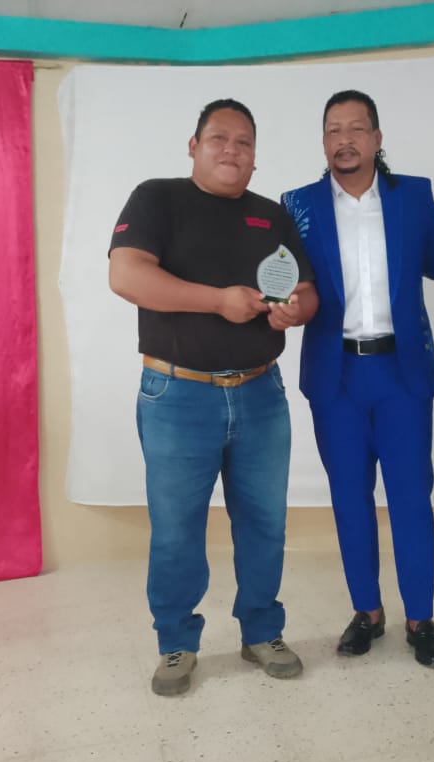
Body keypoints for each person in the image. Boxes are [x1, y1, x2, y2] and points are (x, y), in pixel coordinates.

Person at [108, 98, 318, 696]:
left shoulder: (271, 216)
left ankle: (262, 631)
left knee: (266, 523)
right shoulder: (157, 198)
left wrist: (297, 309)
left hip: (260, 394)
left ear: (255, 157)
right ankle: (176, 642)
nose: (232, 149)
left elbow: (305, 290)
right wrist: (219, 301)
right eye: (219, 138)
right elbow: (126, 275)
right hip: (178, 394)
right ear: (194, 146)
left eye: (244, 142)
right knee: (177, 529)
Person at [281, 90, 434, 668]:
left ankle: (421, 618)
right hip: (337, 377)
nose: (345, 139)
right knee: (349, 498)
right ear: (323, 141)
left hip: (402, 374)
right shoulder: (298, 204)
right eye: (334, 130)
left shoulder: (414, 196)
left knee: (411, 497)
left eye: (357, 128)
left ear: (377, 139)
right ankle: (368, 613)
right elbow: (282, 280)